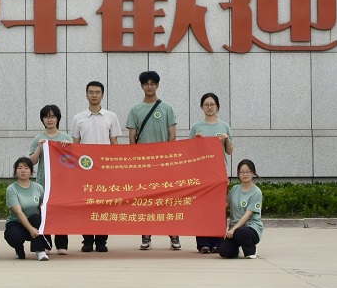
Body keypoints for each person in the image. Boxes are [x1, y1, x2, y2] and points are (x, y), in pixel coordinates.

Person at [125, 70, 179, 251]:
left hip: (164, 163)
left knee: (168, 200)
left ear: (157, 85)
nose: (149, 87)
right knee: (146, 200)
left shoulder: (167, 108)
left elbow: (172, 135)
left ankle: (174, 235)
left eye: (152, 83)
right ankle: (146, 235)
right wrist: (135, 161)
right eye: (146, 84)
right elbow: (132, 138)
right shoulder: (135, 110)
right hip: (144, 165)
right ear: (141, 86)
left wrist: (167, 157)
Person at [70, 81, 122, 252]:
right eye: (91, 92)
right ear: (86, 95)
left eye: (97, 92)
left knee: (103, 205)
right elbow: (75, 146)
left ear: (102, 95)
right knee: (86, 204)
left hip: (105, 170)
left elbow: (114, 144)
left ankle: (101, 240)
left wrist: (116, 167)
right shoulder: (78, 118)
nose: (94, 95)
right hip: (85, 170)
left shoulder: (111, 116)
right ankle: (87, 240)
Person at [190, 92, 234, 254]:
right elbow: (190, 152)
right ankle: (203, 243)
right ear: (202, 107)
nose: (209, 107)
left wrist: (227, 139)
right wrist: (196, 141)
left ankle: (217, 242)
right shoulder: (197, 127)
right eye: (206, 104)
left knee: (218, 208)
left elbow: (229, 151)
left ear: (217, 107)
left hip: (219, 174)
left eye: (212, 104)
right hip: (202, 174)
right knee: (202, 208)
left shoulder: (224, 126)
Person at [28, 104, 72, 254]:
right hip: (43, 182)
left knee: (61, 212)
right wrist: (39, 148)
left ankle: (62, 245)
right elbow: (32, 161)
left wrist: (68, 147)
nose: (50, 119)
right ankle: (46, 244)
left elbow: (72, 160)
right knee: (44, 212)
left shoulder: (65, 138)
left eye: (53, 116)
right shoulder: (38, 138)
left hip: (61, 183)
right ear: (42, 120)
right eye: (46, 117)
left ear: (58, 119)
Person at [4, 157, 49, 261]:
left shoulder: (38, 188)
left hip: (34, 221)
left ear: (31, 171)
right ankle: (18, 247)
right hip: (16, 222)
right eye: (20, 168)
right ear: (15, 171)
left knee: (36, 218)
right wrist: (31, 229)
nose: (23, 171)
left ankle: (40, 250)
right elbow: (18, 212)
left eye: (26, 168)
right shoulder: (11, 189)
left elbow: (43, 206)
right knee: (14, 236)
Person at [219, 159, 263, 259]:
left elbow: (248, 215)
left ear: (253, 173)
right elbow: (225, 204)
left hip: (250, 228)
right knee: (224, 251)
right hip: (235, 230)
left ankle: (251, 250)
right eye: (242, 172)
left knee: (241, 232)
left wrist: (233, 230)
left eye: (248, 171)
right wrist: (222, 185)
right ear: (238, 174)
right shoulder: (235, 189)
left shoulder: (256, 192)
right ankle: (235, 250)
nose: (245, 174)